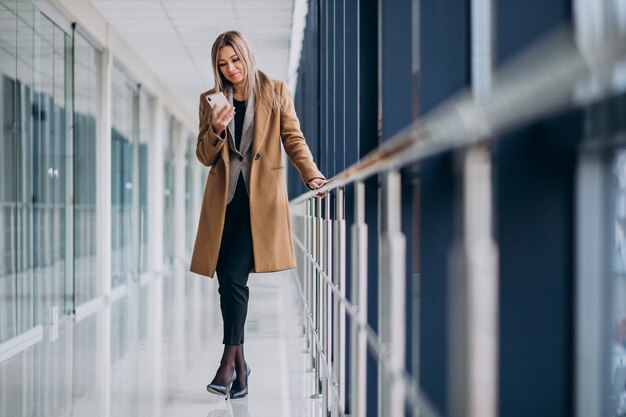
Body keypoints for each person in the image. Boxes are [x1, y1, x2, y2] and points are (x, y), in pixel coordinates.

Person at [190, 30, 326, 399]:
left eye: (235, 60)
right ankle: (242, 369)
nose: (230, 69)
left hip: (260, 206)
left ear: (247, 56)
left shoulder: (276, 90)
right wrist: (216, 129)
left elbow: (292, 138)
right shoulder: (211, 100)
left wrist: (310, 172)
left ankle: (226, 362)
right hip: (225, 205)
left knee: (233, 275)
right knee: (227, 278)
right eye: (222, 64)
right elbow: (204, 155)